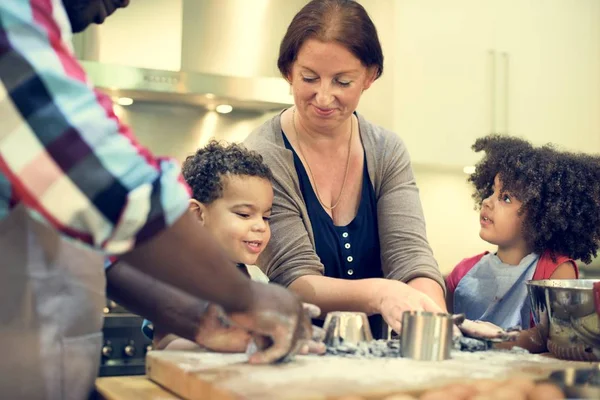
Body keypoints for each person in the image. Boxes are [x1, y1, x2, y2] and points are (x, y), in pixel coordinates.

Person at [0, 1, 312, 398]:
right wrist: (247, 297)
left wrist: (202, 320)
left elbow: (102, 252)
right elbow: (122, 194)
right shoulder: (11, 20)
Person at [243, 0, 446, 338]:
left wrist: (431, 319)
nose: (324, 97)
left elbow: (410, 259)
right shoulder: (263, 156)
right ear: (289, 72)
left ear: (370, 76)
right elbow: (295, 279)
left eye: (342, 81)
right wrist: (381, 293)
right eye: (310, 78)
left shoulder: (386, 150)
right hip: (296, 352)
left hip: (381, 362)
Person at [139, 141, 324, 354]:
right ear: (197, 214)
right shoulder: (177, 274)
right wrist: (231, 344)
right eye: (244, 214)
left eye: (266, 217)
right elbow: (165, 344)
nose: (260, 227)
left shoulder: (239, 272)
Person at [446, 135, 600, 352]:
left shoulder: (555, 269)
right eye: (491, 191)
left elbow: (549, 336)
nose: (487, 201)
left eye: (505, 198)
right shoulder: (462, 273)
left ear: (539, 215)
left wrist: (492, 340)